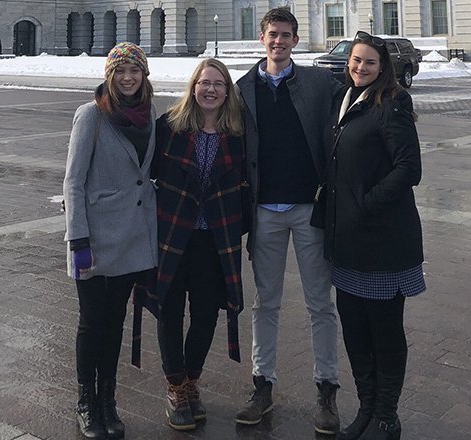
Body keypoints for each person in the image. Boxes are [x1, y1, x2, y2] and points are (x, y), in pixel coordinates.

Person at [234, 7, 345, 435]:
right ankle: (263, 385)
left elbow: (355, 104)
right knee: (266, 303)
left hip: (307, 210)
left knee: (321, 303)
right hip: (265, 213)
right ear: (262, 38)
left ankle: (326, 389)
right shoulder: (243, 88)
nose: (278, 41)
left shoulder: (318, 83)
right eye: (272, 34)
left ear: (295, 41)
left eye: (285, 35)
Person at [321, 31, 426, 440]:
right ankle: (366, 407)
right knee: (355, 330)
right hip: (347, 241)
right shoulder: (345, 101)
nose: (359, 66)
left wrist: (367, 203)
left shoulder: (391, 105)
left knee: (384, 331)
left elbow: (408, 168)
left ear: (383, 68)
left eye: (368, 62)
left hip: (382, 239)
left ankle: (386, 414)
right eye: (355, 60)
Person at [62, 42, 157, 440]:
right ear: (109, 75)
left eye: (134, 70)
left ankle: (108, 401)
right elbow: (73, 180)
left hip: (132, 240)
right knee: (91, 322)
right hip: (96, 238)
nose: (128, 78)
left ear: (144, 75)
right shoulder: (91, 116)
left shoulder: (149, 115)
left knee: (115, 323)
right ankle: (86, 400)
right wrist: (78, 238)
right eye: (120, 71)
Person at [150, 58, 246, 431]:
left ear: (227, 91)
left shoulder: (237, 134)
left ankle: (192, 380)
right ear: (193, 87)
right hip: (174, 233)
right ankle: (175, 385)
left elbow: (248, 183)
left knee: (206, 313)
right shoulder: (170, 127)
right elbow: (145, 173)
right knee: (169, 309)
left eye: (218, 84)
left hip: (214, 237)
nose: (210, 90)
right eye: (204, 83)